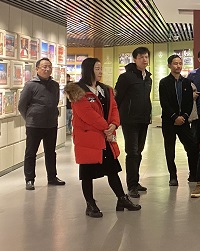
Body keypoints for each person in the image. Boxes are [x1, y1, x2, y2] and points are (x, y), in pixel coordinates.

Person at [65, 58, 140, 217]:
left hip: (105, 137)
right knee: (87, 173)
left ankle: (122, 199)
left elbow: (114, 108)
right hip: (88, 139)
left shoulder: (105, 89)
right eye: (97, 68)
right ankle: (90, 204)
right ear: (88, 70)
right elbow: (87, 114)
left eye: (100, 68)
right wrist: (107, 127)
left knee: (112, 169)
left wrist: (114, 124)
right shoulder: (77, 91)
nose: (100, 71)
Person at [18, 58, 65, 190]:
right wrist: (30, 117)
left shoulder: (54, 85)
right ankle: (29, 179)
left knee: (51, 152)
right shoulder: (30, 85)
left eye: (49, 67)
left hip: (51, 124)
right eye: (44, 67)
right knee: (31, 153)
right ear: (37, 69)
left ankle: (52, 177)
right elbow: (22, 106)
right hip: (34, 125)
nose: (47, 69)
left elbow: (55, 102)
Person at [114, 46, 152, 198]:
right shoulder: (126, 77)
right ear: (135, 59)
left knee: (139, 152)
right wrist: (116, 119)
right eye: (141, 57)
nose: (144, 59)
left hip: (143, 120)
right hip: (130, 120)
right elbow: (117, 98)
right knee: (132, 152)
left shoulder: (148, 78)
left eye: (146, 57)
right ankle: (131, 186)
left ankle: (135, 181)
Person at [159, 54, 199, 186]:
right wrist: (174, 117)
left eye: (180, 63)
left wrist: (184, 117)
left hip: (184, 121)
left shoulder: (187, 82)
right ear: (169, 65)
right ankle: (173, 176)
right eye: (175, 63)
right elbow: (164, 103)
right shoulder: (164, 82)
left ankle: (193, 174)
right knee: (170, 150)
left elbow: (189, 102)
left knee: (191, 147)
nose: (178, 66)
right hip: (169, 121)